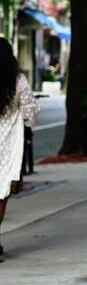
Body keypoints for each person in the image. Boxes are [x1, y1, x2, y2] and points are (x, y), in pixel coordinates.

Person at [0, 38, 39, 260]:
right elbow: (30, 111)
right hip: (6, 145)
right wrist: (28, 123)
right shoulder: (17, 82)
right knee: (2, 191)